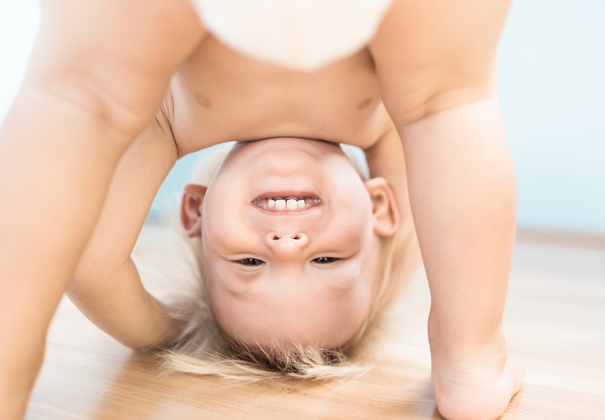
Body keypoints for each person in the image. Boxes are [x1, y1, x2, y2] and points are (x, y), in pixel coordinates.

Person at [0, 0, 523, 419]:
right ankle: (471, 368)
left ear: (196, 213)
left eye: (249, 264)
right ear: (379, 206)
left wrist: (160, 328)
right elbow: (432, 219)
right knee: (445, 102)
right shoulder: (393, 133)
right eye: (328, 262)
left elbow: (90, 263)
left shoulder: (172, 118)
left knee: (84, 100)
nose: (287, 245)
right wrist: (465, 338)